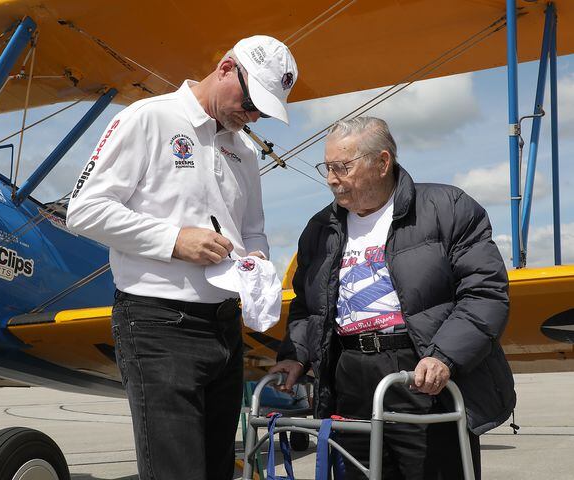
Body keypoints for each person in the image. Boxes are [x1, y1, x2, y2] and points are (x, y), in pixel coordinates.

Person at [66, 35, 298, 480]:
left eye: (263, 112)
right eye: (252, 102)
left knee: (216, 470)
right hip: (158, 325)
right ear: (227, 67)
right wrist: (175, 241)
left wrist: (256, 263)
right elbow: (85, 209)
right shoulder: (148, 118)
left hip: (224, 325)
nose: (252, 116)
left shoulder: (244, 149)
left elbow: (252, 230)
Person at [270, 117, 515, 479]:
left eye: (342, 167)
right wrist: (295, 356)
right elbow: (310, 306)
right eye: (327, 167)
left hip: (422, 375)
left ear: (382, 163)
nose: (331, 178)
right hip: (350, 378)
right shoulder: (320, 229)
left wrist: (444, 356)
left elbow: (485, 292)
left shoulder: (447, 207)